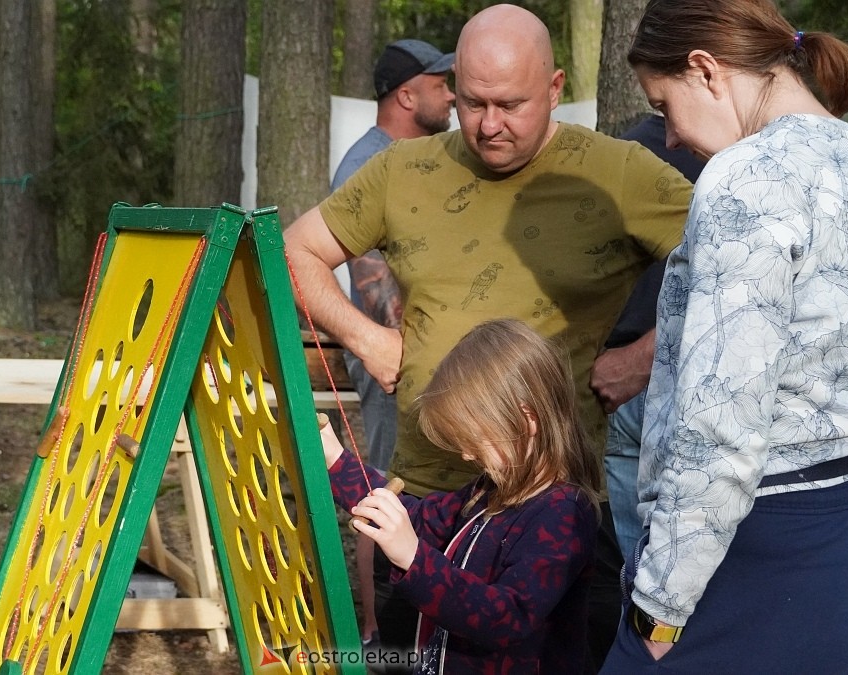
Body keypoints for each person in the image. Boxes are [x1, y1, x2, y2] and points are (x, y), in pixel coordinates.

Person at [284, 4, 691, 667]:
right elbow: (294, 251)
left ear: (554, 88)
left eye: (510, 104)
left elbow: (731, 269)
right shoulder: (402, 169)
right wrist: (367, 338)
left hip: (548, 509)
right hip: (424, 499)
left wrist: (643, 358)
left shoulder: (618, 173)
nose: (489, 124)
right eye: (473, 103)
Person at [602, 1, 848, 672]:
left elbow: (721, 427)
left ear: (706, 70)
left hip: (746, 561)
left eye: (664, 107)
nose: (671, 137)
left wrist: (659, 609)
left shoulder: (746, 179)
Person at [319, 318, 600, 673]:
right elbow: (416, 519)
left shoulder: (564, 515)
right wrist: (335, 459)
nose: (466, 455)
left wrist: (414, 559)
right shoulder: (489, 490)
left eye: (473, 438)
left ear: (527, 420)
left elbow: (506, 617)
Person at [330, 38, 456, 650]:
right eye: (441, 84)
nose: (452, 96)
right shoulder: (368, 163)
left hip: (437, 358)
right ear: (407, 95)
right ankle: (376, 632)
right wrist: (401, 349)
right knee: (383, 489)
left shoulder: (428, 157)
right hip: (393, 361)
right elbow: (372, 282)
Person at [591, 114, 705, 562]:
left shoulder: (625, 153)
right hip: (633, 385)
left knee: (648, 566)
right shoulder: (748, 165)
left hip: (643, 376)